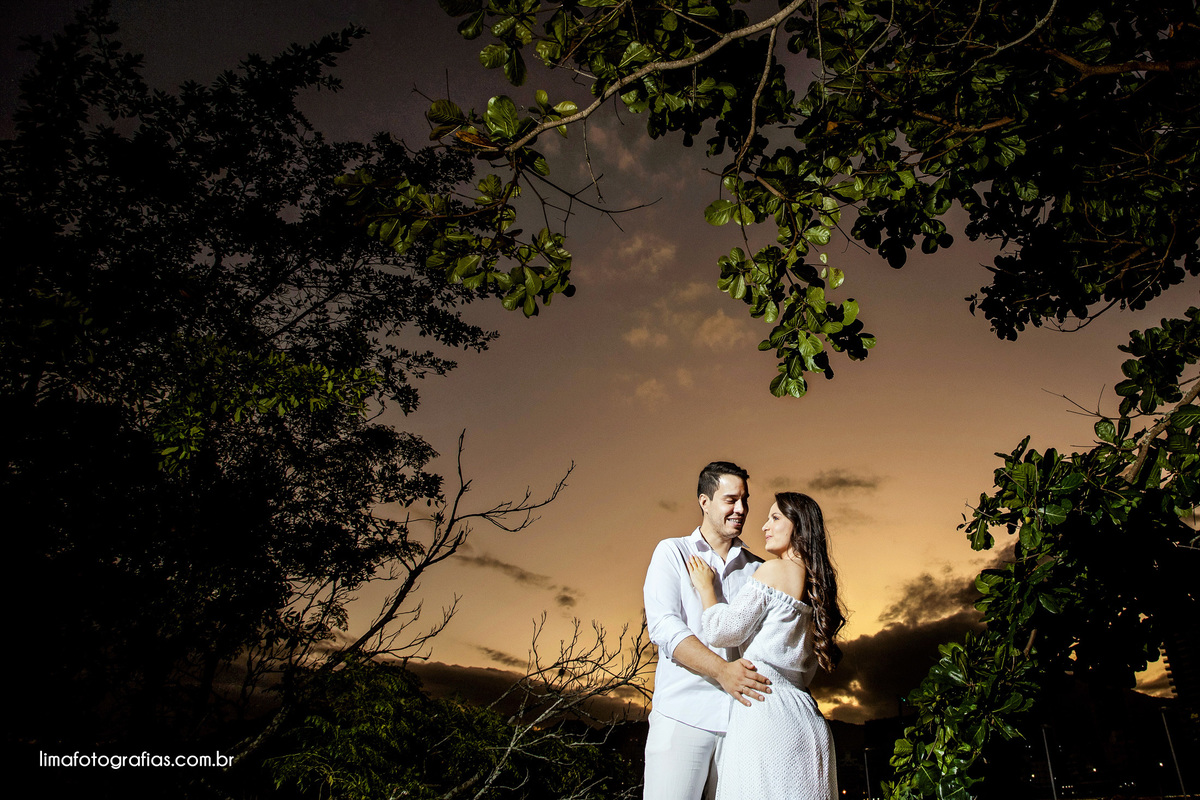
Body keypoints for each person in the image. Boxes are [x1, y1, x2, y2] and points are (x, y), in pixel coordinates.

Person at [686, 492, 845, 800]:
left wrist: (706, 589)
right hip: (806, 718)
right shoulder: (818, 588)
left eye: (775, 518)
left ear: (798, 526)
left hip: (766, 711)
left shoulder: (774, 570)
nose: (764, 526)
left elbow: (722, 631)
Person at [642, 461, 770, 800]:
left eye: (744, 500)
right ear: (705, 502)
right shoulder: (672, 552)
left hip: (742, 723)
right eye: (730, 500)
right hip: (682, 715)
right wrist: (722, 671)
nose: (741, 509)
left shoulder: (759, 570)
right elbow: (665, 628)